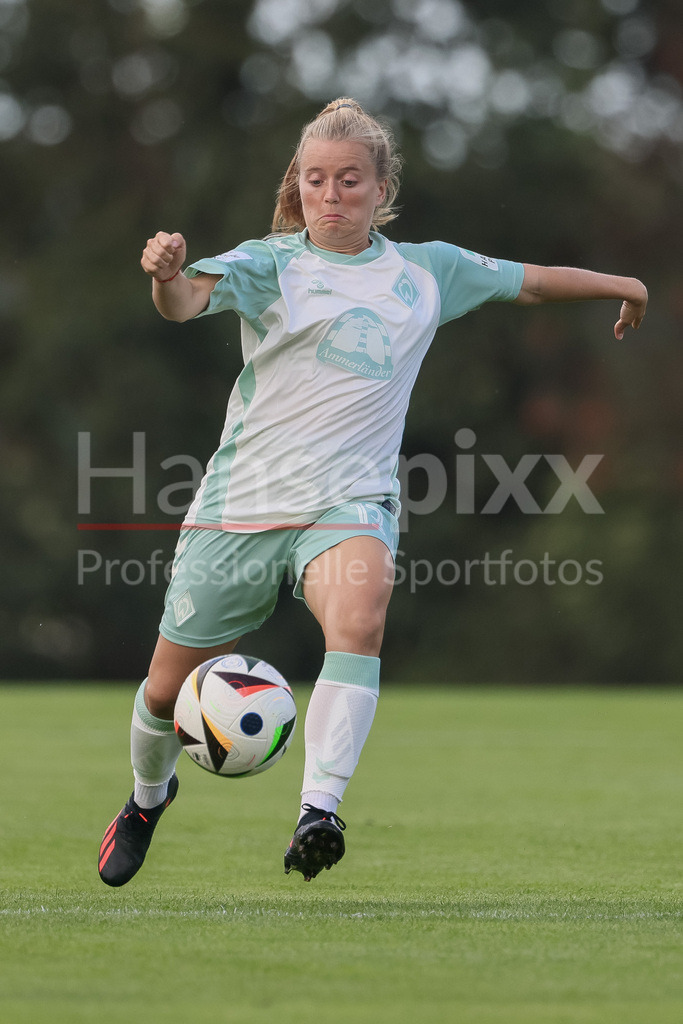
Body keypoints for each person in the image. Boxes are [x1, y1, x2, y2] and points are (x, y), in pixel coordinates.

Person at [97, 97, 647, 887]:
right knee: (160, 691)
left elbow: (528, 285)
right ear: (299, 185)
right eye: (315, 179)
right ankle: (148, 799)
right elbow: (183, 302)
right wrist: (164, 275)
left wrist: (624, 284)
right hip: (240, 507)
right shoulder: (268, 262)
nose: (331, 194)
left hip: (348, 504)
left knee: (359, 620)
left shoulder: (426, 271)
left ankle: (317, 812)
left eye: (348, 180)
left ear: (379, 188)